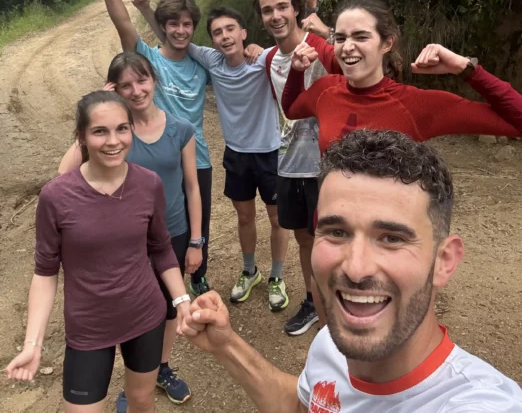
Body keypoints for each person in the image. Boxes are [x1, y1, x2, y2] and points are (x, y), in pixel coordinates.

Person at [180, 129, 522, 412]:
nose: (356, 269)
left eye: (391, 238)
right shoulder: (331, 344)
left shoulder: (478, 403)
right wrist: (228, 346)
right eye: (337, 232)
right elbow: (303, 405)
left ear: (444, 261)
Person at [6, 91, 191, 413]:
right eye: (100, 131)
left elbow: (161, 249)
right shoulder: (56, 196)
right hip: (88, 328)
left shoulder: (149, 184)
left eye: (122, 129)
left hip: (146, 316)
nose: (113, 141)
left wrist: (181, 300)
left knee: (142, 400)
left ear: (132, 130)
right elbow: (45, 273)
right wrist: (33, 344)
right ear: (81, 137)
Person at [59, 53, 201, 405]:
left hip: (173, 233)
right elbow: (64, 175)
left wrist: (197, 240)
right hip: (127, 239)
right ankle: (133, 380)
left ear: (154, 80)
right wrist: (99, 108)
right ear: (116, 90)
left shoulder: (180, 128)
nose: (136, 91)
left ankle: (159, 368)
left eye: (141, 80)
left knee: (168, 307)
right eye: (125, 85)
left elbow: (192, 186)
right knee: (131, 308)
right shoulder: (115, 135)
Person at [132, 0, 289, 311]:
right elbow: (173, 37)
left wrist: (309, 11)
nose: (225, 36)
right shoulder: (211, 60)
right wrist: (147, 10)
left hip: (270, 151)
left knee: (277, 218)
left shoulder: (264, 59)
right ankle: (250, 271)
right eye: (217, 32)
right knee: (244, 217)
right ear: (212, 40)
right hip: (237, 153)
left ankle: (277, 276)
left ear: (244, 32)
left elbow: (293, 49)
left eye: (230, 29)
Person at [91, 0, 213, 298]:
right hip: (155, 154)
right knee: (154, 218)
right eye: (173, 25)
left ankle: (197, 274)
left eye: (187, 25)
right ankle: (148, 278)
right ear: (163, 26)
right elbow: (123, 25)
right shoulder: (149, 61)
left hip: (197, 156)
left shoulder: (202, 65)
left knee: (197, 219)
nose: (180, 31)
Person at [282, 0, 522, 150]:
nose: (347, 47)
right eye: (341, 38)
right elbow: (291, 109)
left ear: (387, 43)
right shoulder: (326, 90)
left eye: (361, 37)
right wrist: (295, 71)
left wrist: (465, 68)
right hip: (328, 215)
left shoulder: (415, 104)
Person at [252, 0, 341, 336]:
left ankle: (340, 307)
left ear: (295, 9)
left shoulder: (319, 44)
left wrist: (320, 15)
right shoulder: (270, 58)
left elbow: (355, 60)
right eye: (267, 10)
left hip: (329, 165)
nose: (275, 16)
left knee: (335, 239)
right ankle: (312, 301)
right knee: (305, 240)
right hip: (289, 163)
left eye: (282, 7)